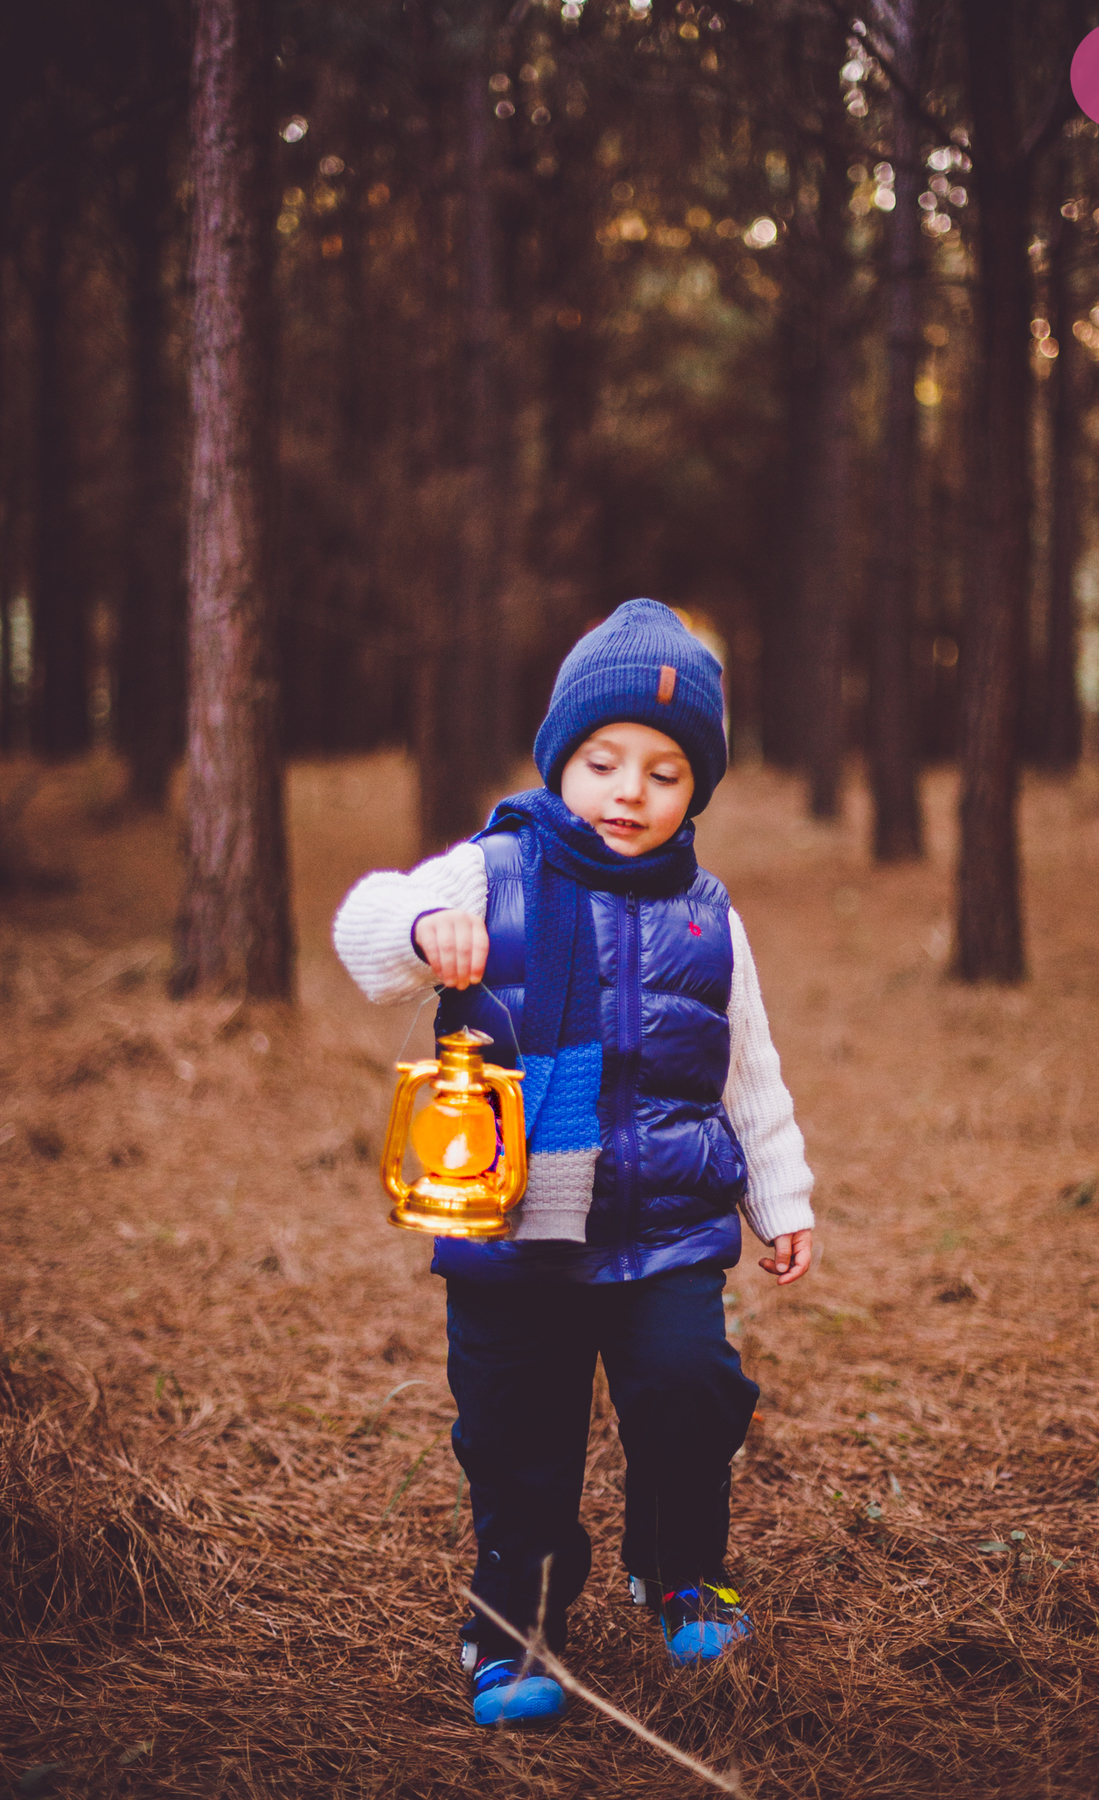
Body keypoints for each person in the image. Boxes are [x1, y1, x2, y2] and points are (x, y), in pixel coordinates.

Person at [333, 598, 814, 1728]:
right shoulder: (495, 873)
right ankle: (514, 1627)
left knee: (692, 1394)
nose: (629, 793)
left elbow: (750, 1073)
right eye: (604, 763)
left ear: (697, 791)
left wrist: (779, 1198)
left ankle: (681, 1565)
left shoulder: (709, 917)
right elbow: (366, 926)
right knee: (518, 1442)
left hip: (668, 1233)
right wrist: (418, 933)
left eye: (663, 772)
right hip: (516, 1240)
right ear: (562, 764)